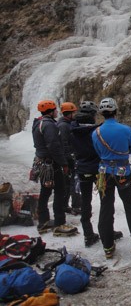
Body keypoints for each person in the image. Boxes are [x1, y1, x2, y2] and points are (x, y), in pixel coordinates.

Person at [92, 97, 131, 259]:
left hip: (104, 173)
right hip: (123, 171)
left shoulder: (96, 132)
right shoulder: (126, 130)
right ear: (115, 111)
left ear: (102, 113)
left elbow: (98, 152)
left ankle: (108, 246)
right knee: (130, 206)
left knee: (106, 208)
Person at [70, 100, 123, 247]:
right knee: (106, 202)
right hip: (98, 169)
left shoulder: (72, 129)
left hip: (81, 169)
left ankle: (88, 235)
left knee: (85, 203)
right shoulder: (96, 131)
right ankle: (108, 232)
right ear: (92, 115)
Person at [32, 100, 78, 236]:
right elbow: (54, 146)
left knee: (45, 191)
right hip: (52, 164)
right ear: (50, 111)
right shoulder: (49, 125)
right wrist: (63, 163)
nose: (57, 112)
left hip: (42, 162)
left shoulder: (37, 123)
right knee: (60, 191)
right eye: (55, 110)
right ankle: (59, 223)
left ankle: (43, 221)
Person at [57, 102, 82, 216]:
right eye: (73, 112)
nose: (75, 114)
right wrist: (70, 157)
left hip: (68, 157)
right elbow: (64, 143)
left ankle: (65, 205)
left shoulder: (66, 124)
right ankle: (75, 206)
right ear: (69, 113)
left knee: (68, 183)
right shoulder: (64, 126)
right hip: (69, 158)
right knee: (73, 182)